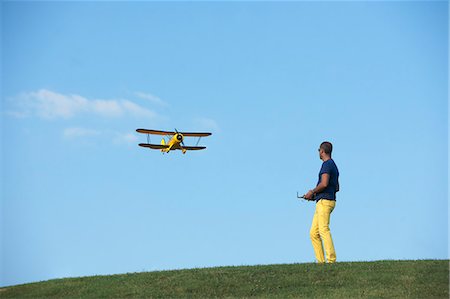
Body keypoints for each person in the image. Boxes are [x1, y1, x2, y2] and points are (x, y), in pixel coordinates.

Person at [304, 141, 340, 263]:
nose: (318, 152)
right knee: (313, 233)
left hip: (325, 202)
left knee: (323, 229)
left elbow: (324, 183)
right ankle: (320, 262)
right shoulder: (333, 165)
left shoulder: (326, 164)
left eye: (319, 150)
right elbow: (336, 187)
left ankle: (331, 260)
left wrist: (312, 192)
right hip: (325, 200)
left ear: (322, 151)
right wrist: (315, 196)